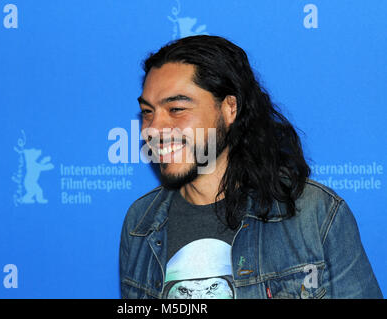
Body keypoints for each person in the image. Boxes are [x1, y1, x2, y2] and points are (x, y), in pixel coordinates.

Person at [119, 35, 383, 299]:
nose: (153, 129)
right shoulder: (140, 224)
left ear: (229, 108)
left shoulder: (314, 214)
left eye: (176, 109)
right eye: (147, 112)